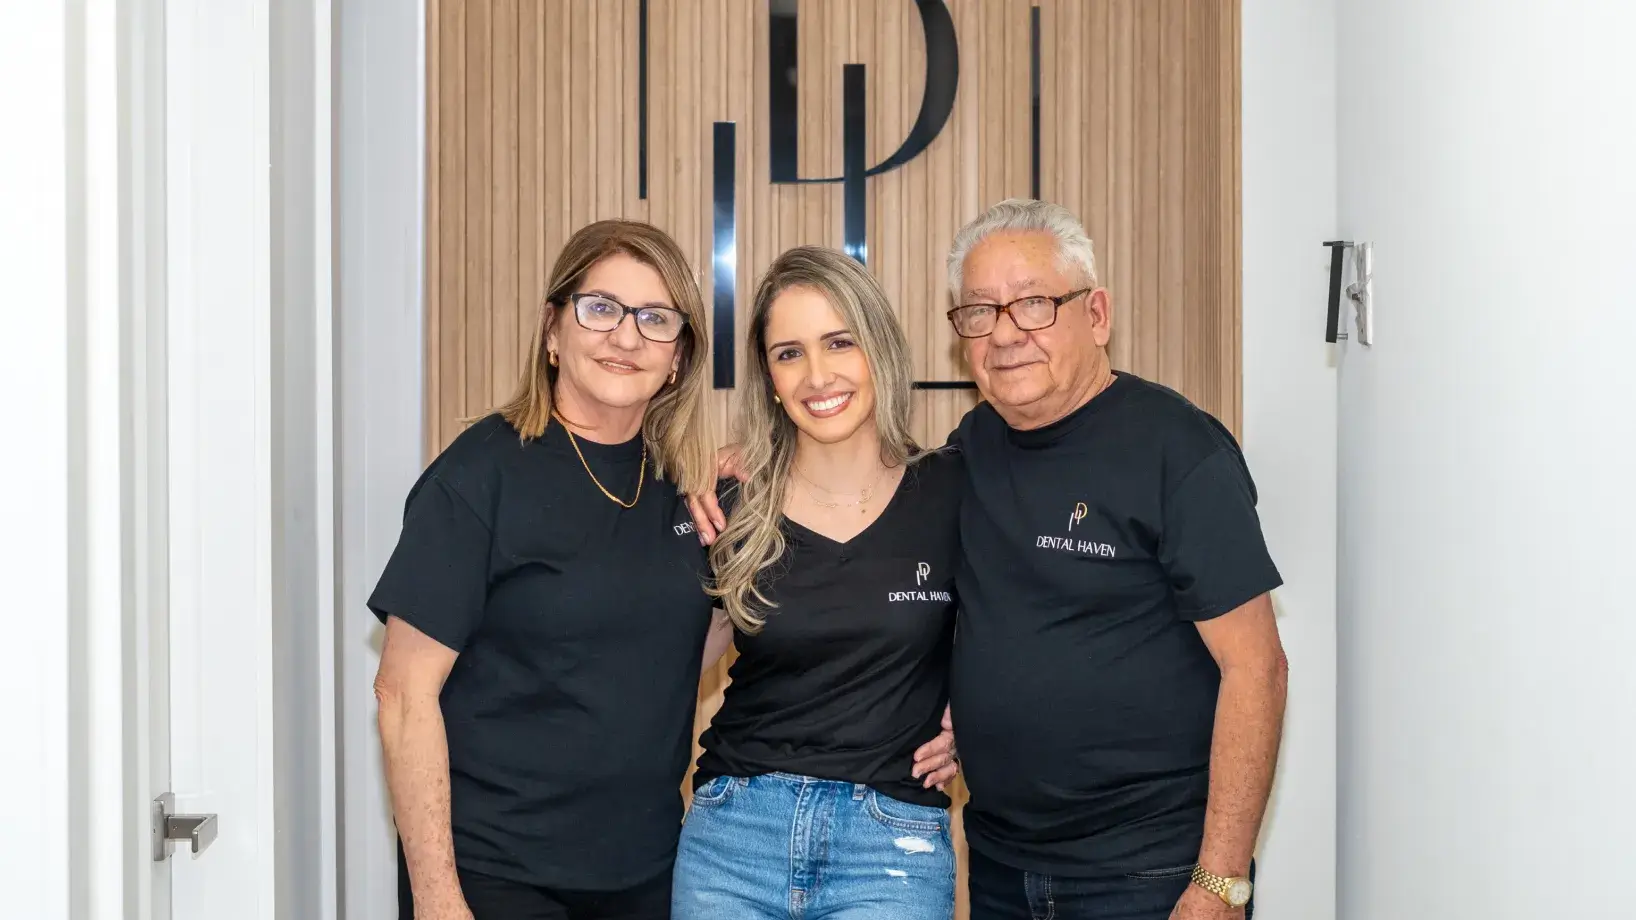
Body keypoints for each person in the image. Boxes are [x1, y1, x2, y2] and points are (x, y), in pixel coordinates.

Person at [692, 200, 1289, 920]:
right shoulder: (969, 456)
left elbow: (1257, 668)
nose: (1005, 333)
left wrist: (1222, 883)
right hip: (1005, 865)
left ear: (1096, 315)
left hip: (1146, 869)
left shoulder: (1177, 449)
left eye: (1034, 305)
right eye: (979, 311)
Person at [368, 219, 720, 920]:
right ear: (553, 332)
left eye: (655, 319)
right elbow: (403, 697)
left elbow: (677, 653)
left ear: (679, 356)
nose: (626, 337)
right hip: (496, 876)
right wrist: (440, 901)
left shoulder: (686, 487)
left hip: (643, 871)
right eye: (601, 309)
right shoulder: (480, 475)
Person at [670, 246, 963, 920]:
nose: (817, 375)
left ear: (879, 352)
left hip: (890, 850)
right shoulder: (729, 502)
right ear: (769, 378)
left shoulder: (953, 490)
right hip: (732, 837)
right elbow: (666, 668)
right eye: (789, 353)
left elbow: (1028, 624)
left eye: (840, 343)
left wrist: (976, 720)